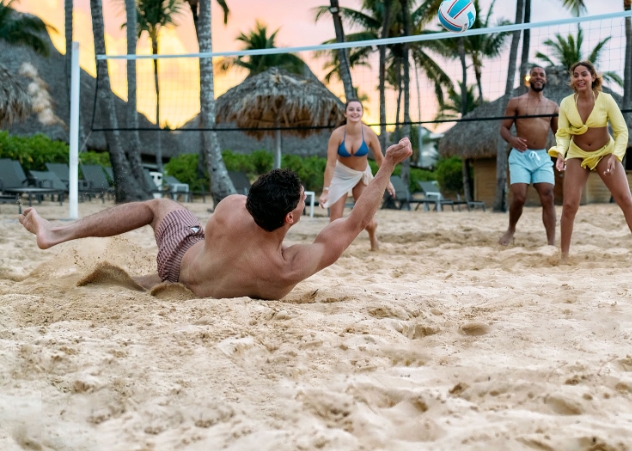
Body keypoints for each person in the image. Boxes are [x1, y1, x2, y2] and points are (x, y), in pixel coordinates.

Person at [19, 139, 414, 300]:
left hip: (178, 262)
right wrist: (389, 163)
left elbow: (252, 207)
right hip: (204, 288)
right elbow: (358, 220)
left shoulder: (231, 207)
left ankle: (58, 232)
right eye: (302, 199)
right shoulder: (287, 268)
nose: (305, 198)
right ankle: (61, 237)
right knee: (161, 212)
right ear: (292, 216)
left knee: (157, 207)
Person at [549, 60, 632, 262]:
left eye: (584, 74)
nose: (580, 78)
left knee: (625, 199)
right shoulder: (566, 103)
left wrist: (616, 156)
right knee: (569, 205)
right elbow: (562, 133)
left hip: (605, 152)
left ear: (593, 77)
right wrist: (561, 152)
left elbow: (622, 131)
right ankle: (564, 255)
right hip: (578, 153)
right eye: (576, 75)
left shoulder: (606, 100)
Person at [318, 99, 394, 250]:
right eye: (351, 109)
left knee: (367, 220)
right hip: (340, 174)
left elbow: (380, 158)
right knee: (335, 219)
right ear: (345, 113)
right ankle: (334, 251)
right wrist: (325, 190)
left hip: (361, 175)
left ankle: (373, 236)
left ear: (362, 113)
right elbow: (331, 163)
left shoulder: (369, 133)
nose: (355, 112)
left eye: (358, 110)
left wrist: (387, 181)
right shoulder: (337, 134)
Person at [498, 64, 559, 246]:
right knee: (519, 197)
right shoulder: (516, 102)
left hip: (541, 156)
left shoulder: (553, 106)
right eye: (535, 74)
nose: (538, 77)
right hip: (520, 155)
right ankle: (511, 229)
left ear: (545, 79)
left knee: (548, 194)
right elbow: (503, 128)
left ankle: (551, 242)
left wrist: (563, 153)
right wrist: (512, 140)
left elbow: (559, 134)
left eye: (541, 74)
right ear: (529, 79)